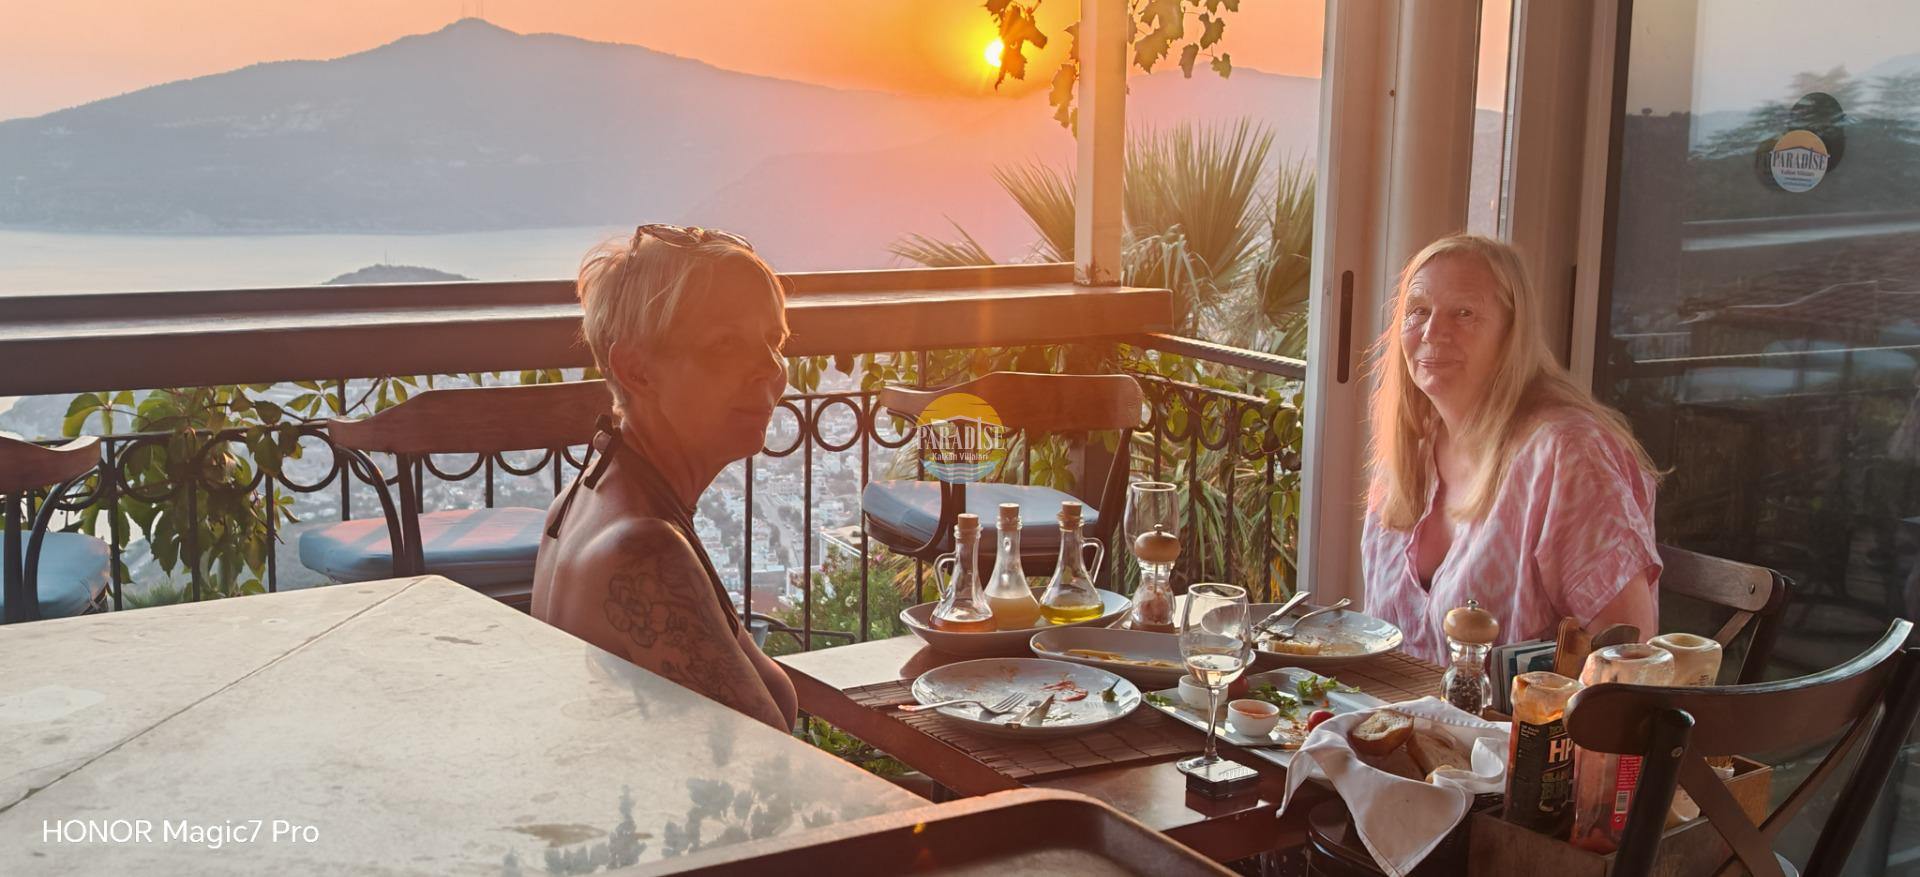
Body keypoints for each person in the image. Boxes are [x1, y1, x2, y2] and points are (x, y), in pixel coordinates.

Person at [533, 223, 798, 731]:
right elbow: (767, 766)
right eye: (726, 345)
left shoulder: (579, 500)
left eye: (774, 341)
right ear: (637, 370)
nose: (769, 367)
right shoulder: (644, 552)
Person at [1362, 234, 1662, 665]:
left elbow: (1627, 657)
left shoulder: (1566, 454)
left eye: (1464, 313)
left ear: (1511, 334)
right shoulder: (1412, 449)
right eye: (1418, 311)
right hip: (1389, 705)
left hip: (1519, 713)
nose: (1432, 332)